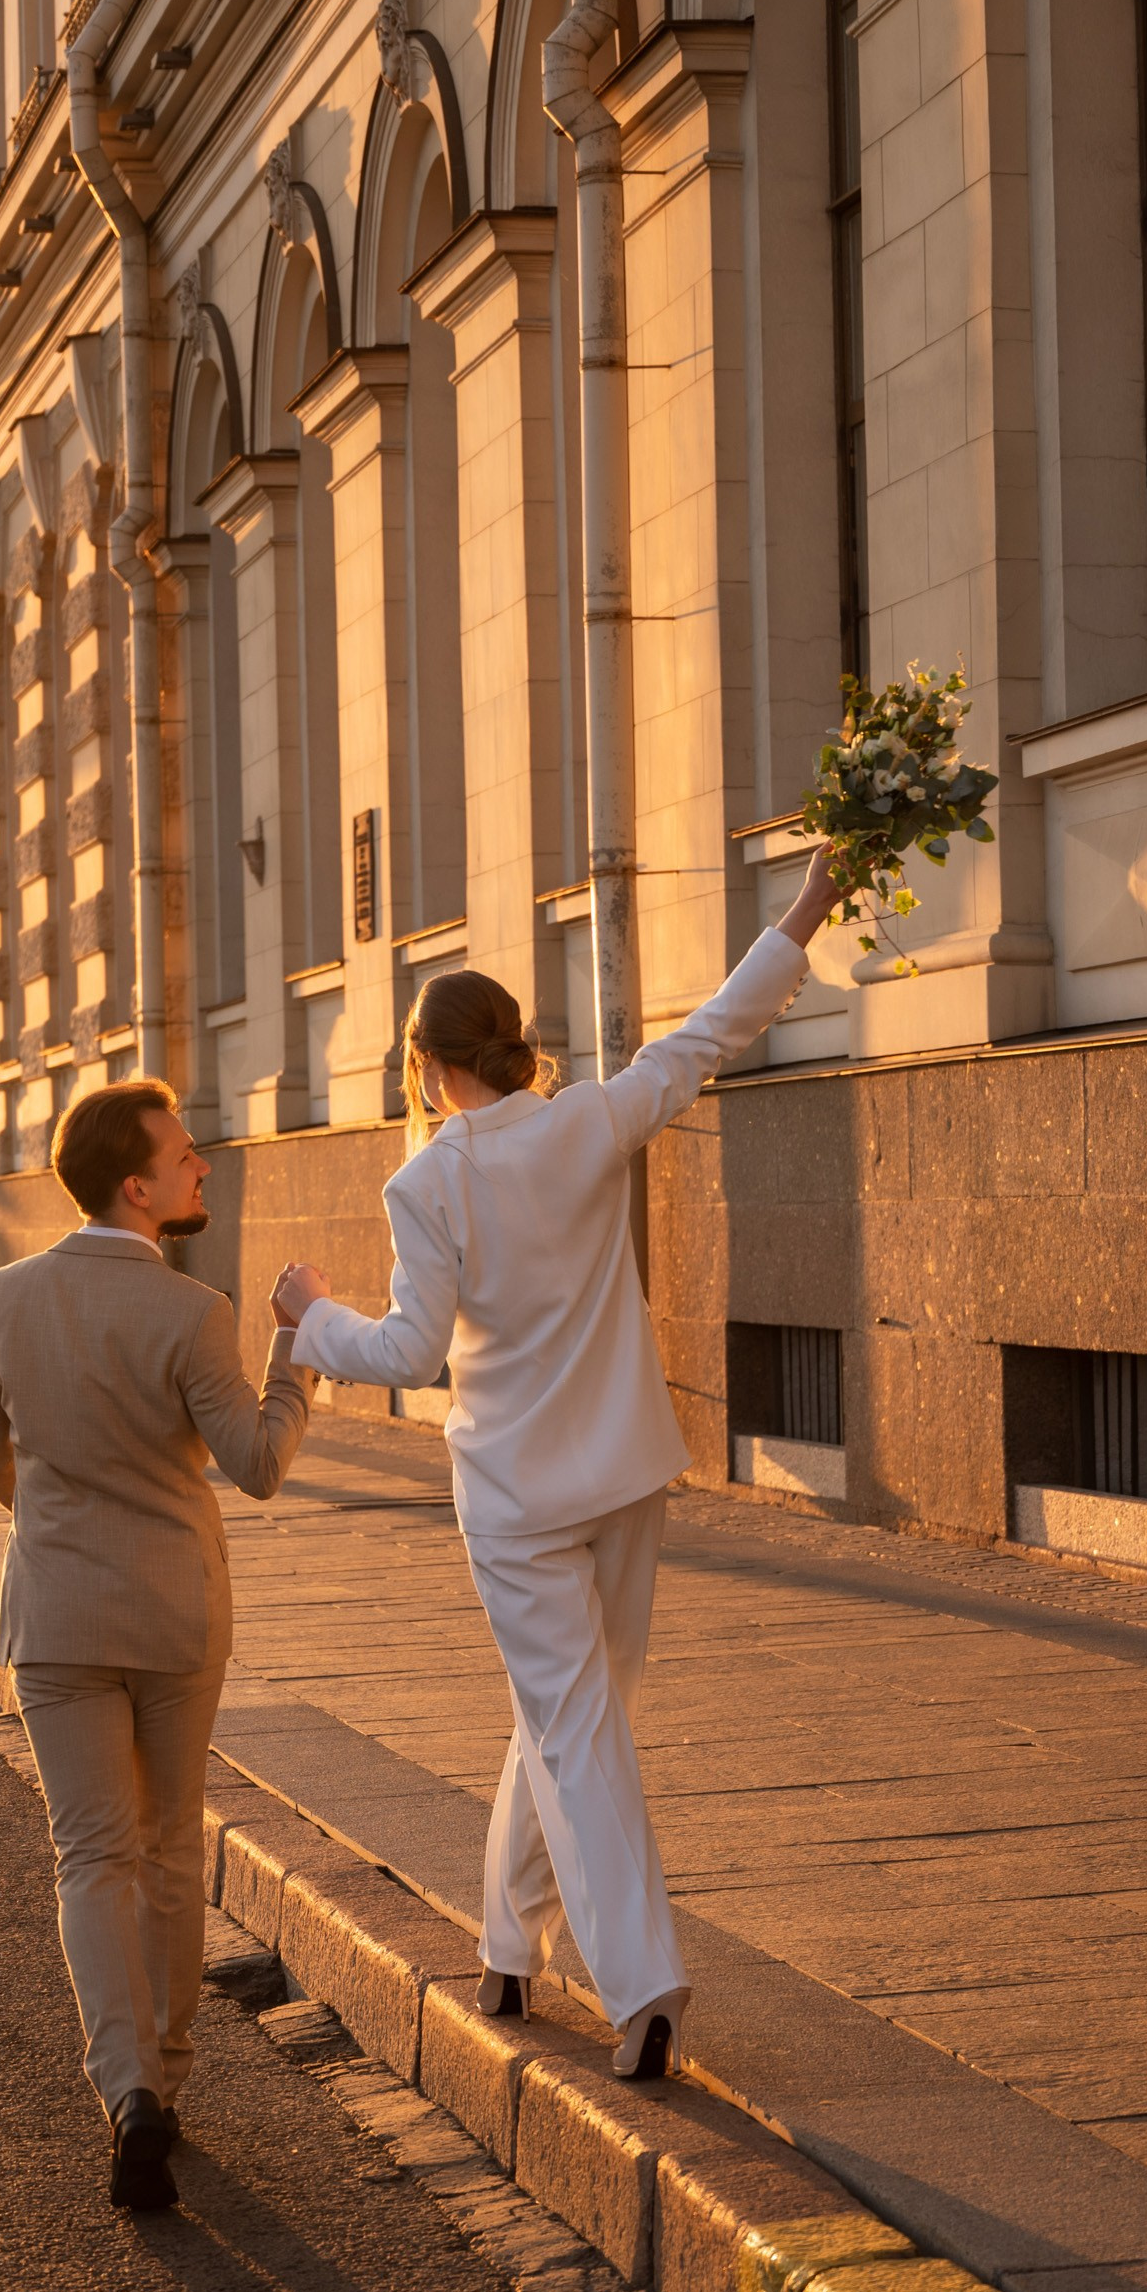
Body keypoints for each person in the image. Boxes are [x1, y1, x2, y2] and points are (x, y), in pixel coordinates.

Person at [275, 846, 842, 2083]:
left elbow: (410, 1353)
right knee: (573, 1717)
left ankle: (642, 1989)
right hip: (624, 1470)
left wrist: (309, 1316)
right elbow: (708, 1035)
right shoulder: (589, 1119)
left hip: (517, 1497)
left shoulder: (425, 1182)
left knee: (572, 1724)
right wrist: (803, 906)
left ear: (428, 1066)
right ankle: (506, 1945)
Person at [0, 1079, 315, 2213]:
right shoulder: (194, 1312)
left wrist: (53, 1526)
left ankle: (128, 2091)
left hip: (56, 1616)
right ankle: (167, 2071)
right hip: (172, 1614)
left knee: (89, 1855)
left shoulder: (1, 1296)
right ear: (136, 1185)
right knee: (166, 1847)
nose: (201, 1165)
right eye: (184, 1153)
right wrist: (295, 1347)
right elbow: (258, 1463)